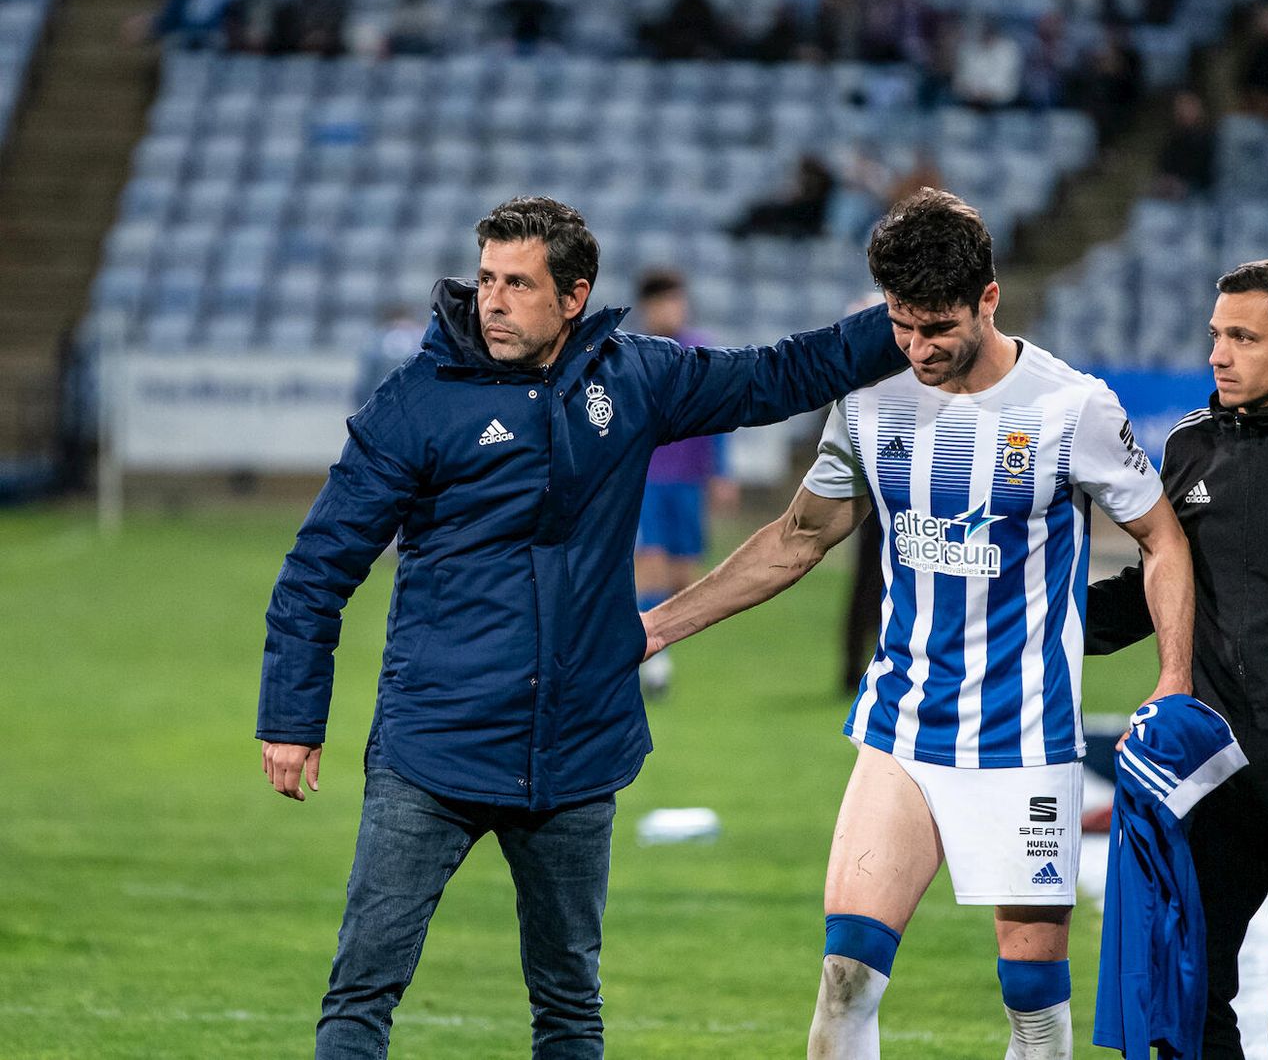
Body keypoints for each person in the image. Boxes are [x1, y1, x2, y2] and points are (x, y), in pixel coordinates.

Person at [255, 195, 906, 1059]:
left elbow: (775, 375)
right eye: (487, 278)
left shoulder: (632, 378)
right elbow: (318, 566)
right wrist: (292, 717)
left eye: (517, 284)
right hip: (434, 747)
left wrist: (908, 316)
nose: (492, 300)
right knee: (361, 992)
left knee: (569, 1006)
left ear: (573, 296)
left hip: (575, 751)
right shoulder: (416, 403)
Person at [642, 188, 1195, 1059]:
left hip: (1023, 737)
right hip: (902, 725)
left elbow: (1163, 539)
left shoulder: (1071, 407)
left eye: (937, 327)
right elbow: (799, 537)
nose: (917, 347)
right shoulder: (871, 396)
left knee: (1034, 1008)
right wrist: (654, 629)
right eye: (901, 323)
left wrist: (1172, 680)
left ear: (989, 298)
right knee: (845, 975)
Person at [1085, 259, 1268, 1060]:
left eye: (1242, 337)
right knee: (1188, 997)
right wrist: (1046, 621)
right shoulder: (1190, 445)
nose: (1218, 354)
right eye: (1215, 335)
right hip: (1213, 779)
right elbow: (1161, 585)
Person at [632, 268, 737, 697]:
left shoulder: (700, 352)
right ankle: (652, 662)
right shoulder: (634, 355)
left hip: (689, 480)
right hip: (648, 478)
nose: (672, 310)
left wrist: (722, 472)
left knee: (683, 574)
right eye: (664, 302)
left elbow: (718, 418)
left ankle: (655, 643)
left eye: (677, 301)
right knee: (651, 561)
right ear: (648, 307)